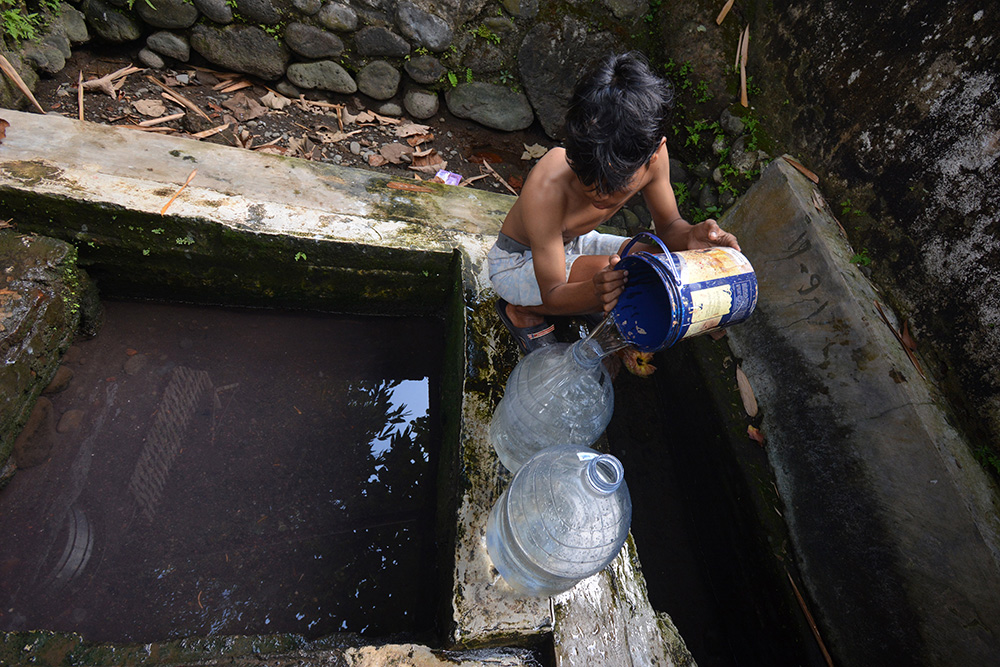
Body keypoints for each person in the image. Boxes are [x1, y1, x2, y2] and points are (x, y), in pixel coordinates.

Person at [488, 51, 741, 354]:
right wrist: (594, 289)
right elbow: (553, 291)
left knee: (657, 262)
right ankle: (523, 311)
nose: (599, 195)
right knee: (631, 276)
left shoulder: (653, 160)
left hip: (576, 243)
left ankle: (592, 297)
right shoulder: (548, 186)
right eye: (587, 180)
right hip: (517, 263)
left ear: (654, 154)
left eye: (613, 185)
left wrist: (689, 237)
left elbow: (670, 227)